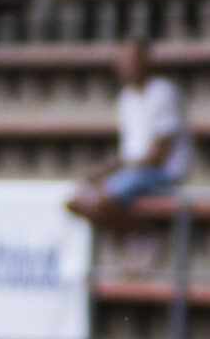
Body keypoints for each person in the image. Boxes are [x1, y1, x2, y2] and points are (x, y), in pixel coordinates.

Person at [70, 38, 190, 274]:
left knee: (99, 200)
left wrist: (119, 167)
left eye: (129, 61)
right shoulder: (126, 98)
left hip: (162, 172)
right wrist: (105, 169)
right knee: (76, 200)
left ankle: (146, 237)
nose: (124, 67)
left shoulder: (163, 93)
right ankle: (138, 236)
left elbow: (158, 155)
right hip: (136, 169)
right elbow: (129, 153)